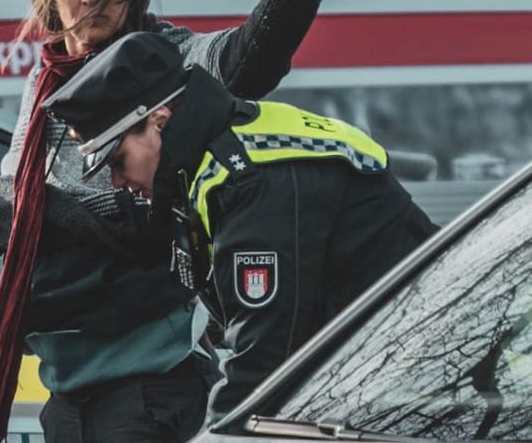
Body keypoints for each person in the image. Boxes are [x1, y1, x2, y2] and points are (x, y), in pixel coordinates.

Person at [0, 0, 353, 443]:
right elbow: (26, 237)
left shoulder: (169, 62)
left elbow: (253, 54)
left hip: (149, 398)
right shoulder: (44, 88)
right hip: (68, 398)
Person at [47, 31, 438, 420]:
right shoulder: (211, 162)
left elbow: (265, 361)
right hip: (395, 371)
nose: (117, 182)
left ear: (159, 122)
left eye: (117, 161)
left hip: (425, 379)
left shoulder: (251, 181)